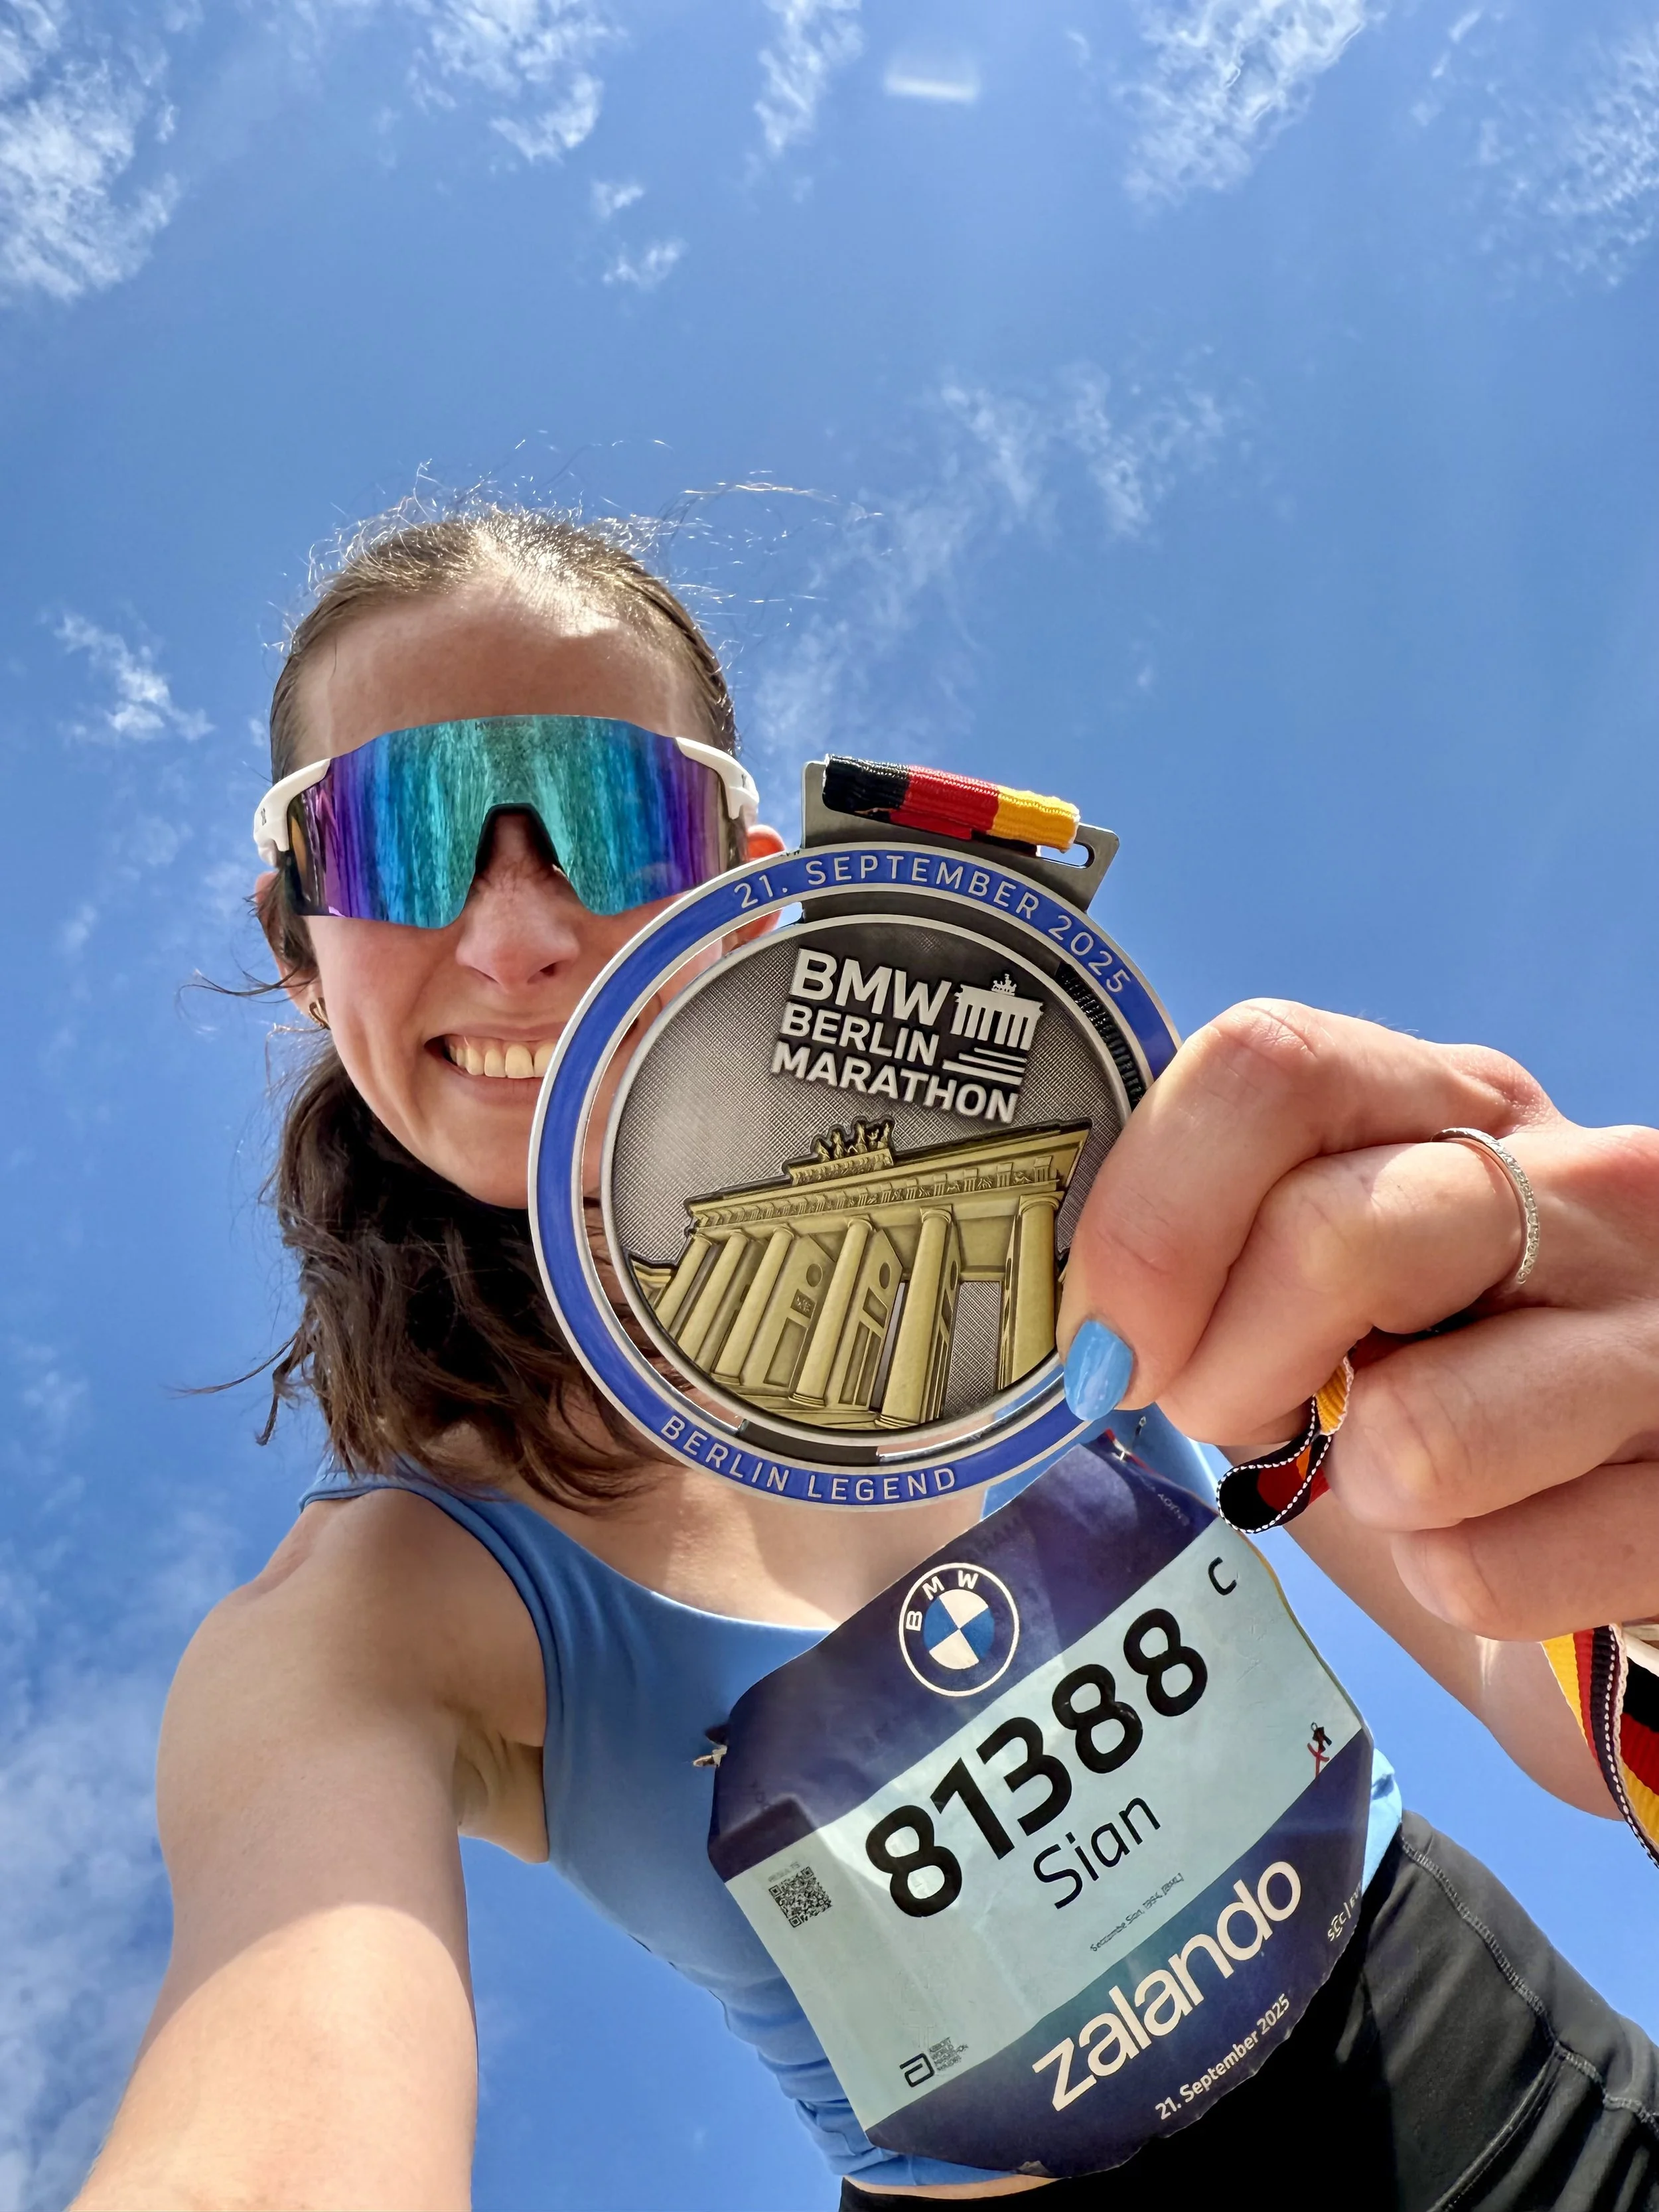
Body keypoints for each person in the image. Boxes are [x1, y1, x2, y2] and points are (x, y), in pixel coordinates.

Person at [73, 505, 1659, 2212]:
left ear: (745, 878)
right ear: (300, 949)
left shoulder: (1082, 1206)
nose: (516, 929)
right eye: (398, 837)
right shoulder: (362, 1619)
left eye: (615, 815)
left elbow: (1555, 1699)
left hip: (1542, 2102)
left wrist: (1623, 1550)